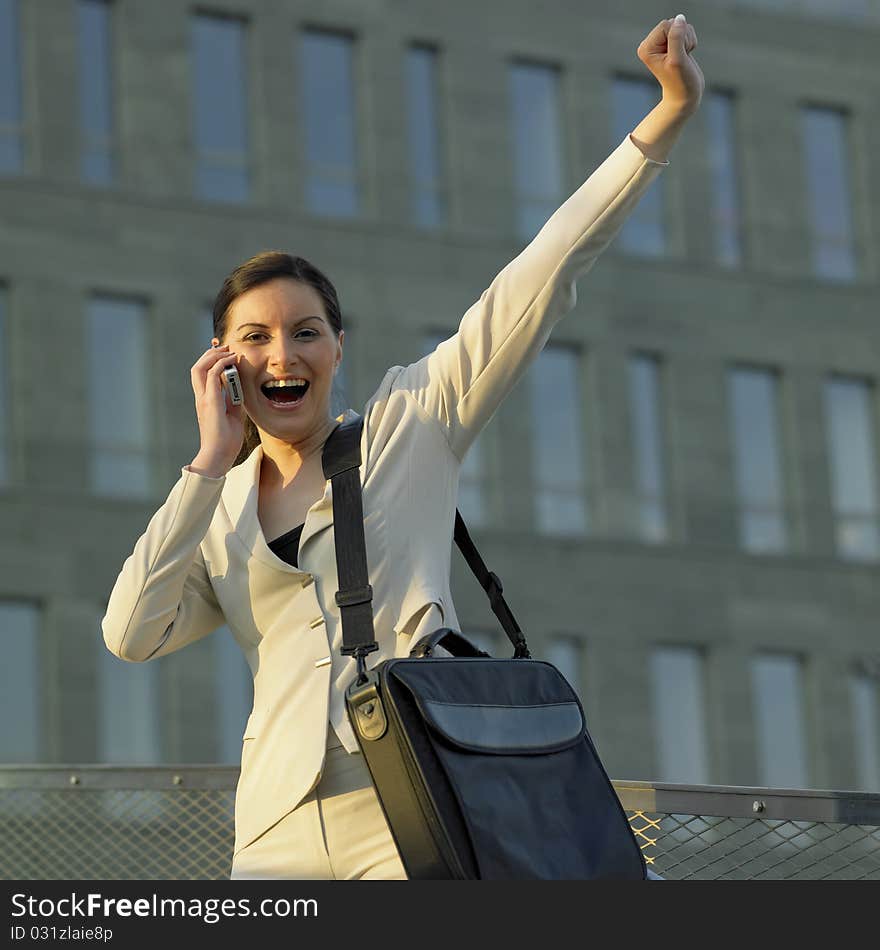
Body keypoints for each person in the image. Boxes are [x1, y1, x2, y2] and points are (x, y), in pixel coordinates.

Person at [102, 14, 704, 880]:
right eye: (256, 338)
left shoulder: (410, 422)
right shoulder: (219, 509)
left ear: (336, 348)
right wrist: (205, 466)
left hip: (415, 807)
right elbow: (130, 633)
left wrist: (666, 118)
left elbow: (546, 267)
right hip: (273, 836)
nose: (283, 355)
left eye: (305, 332)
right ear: (222, 363)